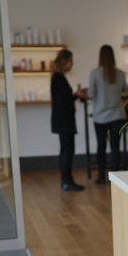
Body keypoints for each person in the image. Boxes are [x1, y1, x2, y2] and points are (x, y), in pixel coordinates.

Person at [87, 45, 128, 184]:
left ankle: (101, 177)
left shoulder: (95, 73)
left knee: (101, 146)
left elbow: (91, 92)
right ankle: (115, 179)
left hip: (100, 116)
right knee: (115, 147)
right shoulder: (121, 73)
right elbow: (124, 92)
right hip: (117, 115)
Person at [51, 49, 88, 191]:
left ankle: (67, 180)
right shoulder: (58, 78)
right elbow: (63, 101)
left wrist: (75, 95)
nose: (72, 64)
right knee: (67, 150)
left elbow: (62, 99)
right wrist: (76, 95)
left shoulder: (57, 77)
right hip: (64, 122)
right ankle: (67, 180)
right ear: (65, 62)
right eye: (71, 61)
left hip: (62, 121)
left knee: (65, 150)